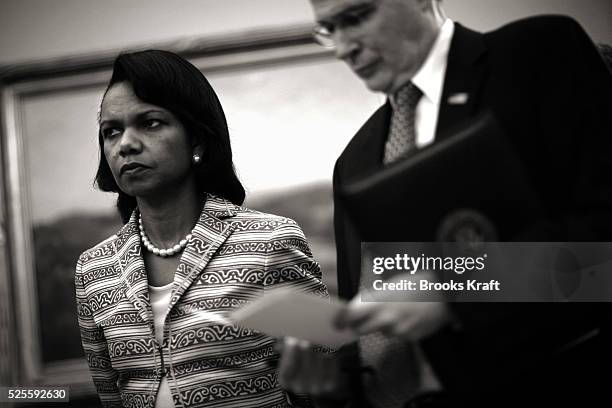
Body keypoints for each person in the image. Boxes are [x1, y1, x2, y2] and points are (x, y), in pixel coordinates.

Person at [279, 0, 612, 407]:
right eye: (328, 29)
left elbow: (603, 255)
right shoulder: (354, 162)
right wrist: (336, 384)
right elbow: (375, 322)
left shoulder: (535, 55)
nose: (342, 47)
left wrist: (452, 291)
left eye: (355, 18)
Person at [75, 49, 328, 408]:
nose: (125, 144)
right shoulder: (93, 269)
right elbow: (109, 395)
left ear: (196, 139)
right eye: (111, 131)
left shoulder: (269, 241)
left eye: (150, 122)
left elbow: (327, 378)